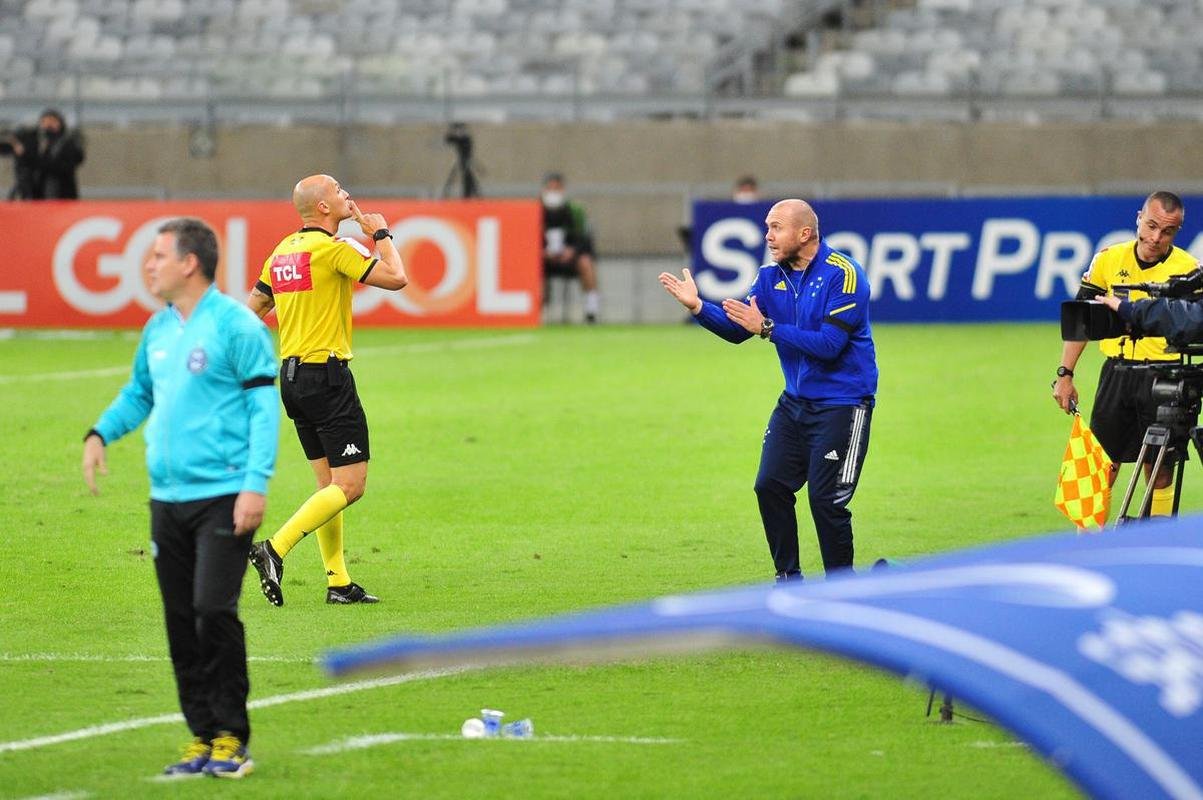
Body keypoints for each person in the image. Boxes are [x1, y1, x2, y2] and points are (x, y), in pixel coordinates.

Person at [82, 218, 278, 778]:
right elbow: (139, 392)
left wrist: (254, 483)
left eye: (158, 256)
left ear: (189, 263)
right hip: (166, 498)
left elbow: (264, 409)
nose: (148, 265)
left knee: (213, 610)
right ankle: (200, 735)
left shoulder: (237, 325)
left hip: (224, 495)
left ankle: (231, 738)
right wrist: (99, 433)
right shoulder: (158, 329)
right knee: (178, 620)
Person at [659, 199, 878, 582]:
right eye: (767, 227)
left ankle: (843, 590)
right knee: (769, 486)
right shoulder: (769, 277)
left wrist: (769, 329)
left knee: (826, 502)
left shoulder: (844, 274)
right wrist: (697, 307)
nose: (768, 235)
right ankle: (788, 579)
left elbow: (829, 346)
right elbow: (739, 329)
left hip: (843, 405)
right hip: (795, 404)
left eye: (776, 227)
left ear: (805, 233)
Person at [246, 174, 408, 607]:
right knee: (351, 486)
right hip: (328, 378)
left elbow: (254, 309)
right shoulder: (335, 250)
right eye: (338, 191)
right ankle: (273, 549)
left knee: (328, 487)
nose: (346, 194)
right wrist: (380, 234)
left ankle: (338, 582)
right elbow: (397, 278)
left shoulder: (283, 252)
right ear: (321, 207)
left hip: (292, 379)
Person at [1052, 191, 1196, 517]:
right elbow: (1080, 321)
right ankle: (1089, 546)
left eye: (1167, 231)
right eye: (1151, 225)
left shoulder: (1188, 271)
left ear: (1177, 232)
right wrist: (1065, 374)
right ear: (1139, 218)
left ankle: (1156, 544)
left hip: (1165, 376)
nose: (1156, 237)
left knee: (1158, 468)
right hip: (1116, 375)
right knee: (1101, 465)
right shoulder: (1108, 260)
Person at [541, 172, 600, 323]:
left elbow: (586, 240)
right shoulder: (536, 211)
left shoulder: (575, 212)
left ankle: (591, 310)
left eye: (557, 188)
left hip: (570, 258)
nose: (554, 192)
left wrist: (572, 251)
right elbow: (527, 240)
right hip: (544, 260)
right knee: (531, 266)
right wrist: (542, 253)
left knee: (586, 262)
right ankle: (539, 310)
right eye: (550, 188)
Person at [0, 108, 85, 199]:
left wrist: (27, 155)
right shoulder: (36, 140)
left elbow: (61, 165)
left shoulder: (68, 142)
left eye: (52, 121)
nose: (48, 125)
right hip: (37, 193)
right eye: (44, 122)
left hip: (61, 193)